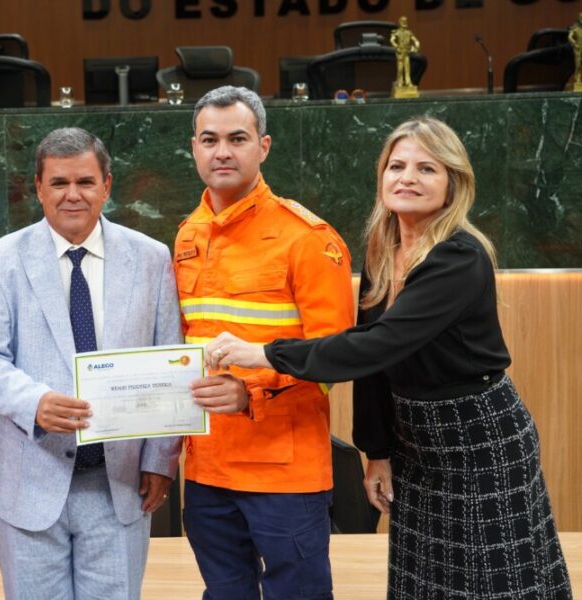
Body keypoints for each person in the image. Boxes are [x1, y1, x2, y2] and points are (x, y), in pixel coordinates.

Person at [206, 116, 573, 599]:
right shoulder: (383, 250)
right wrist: (376, 451)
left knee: (489, 582)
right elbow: (374, 366)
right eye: (397, 166)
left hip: (478, 439)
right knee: (423, 582)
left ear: (453, 184)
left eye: (427, 169)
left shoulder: (459, 257)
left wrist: (264, 353)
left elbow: (376, 344)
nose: (408, 178)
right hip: (414, 441)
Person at [0, 127, 182, 600]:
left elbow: (169, 361)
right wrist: (34, 402)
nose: (72, 194)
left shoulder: (150, 258)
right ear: (38, 188)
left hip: (118, 484)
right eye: (59, 183)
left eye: (85, 181)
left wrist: (160, 459)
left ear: (107, 185)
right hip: (28, 481)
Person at [176, 86, 354, 599]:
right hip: (208, 471)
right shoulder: (187, 235)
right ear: (194, 148)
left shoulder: (308, 238)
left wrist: (249, 390)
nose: (222, 152)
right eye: (209, 140)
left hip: (284, 475)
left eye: (237, 139)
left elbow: (336, 358)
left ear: (264, 146)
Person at [391, 16, 420, 89]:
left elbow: (415, 40)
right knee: (400, 69)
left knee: (407, 69)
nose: (404, 23)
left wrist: (417, 45)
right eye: (403, 21)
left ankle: (408, 83)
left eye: (405, 21)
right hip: (400, 53)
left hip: (406, 52)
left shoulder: (409, 32)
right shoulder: (397, 32)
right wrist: (396, 47)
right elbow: (392, 40)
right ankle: (400, 82)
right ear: (400, 22)